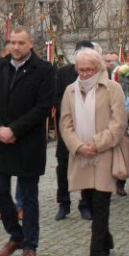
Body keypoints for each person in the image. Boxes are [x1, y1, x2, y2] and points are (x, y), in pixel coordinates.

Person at [0, 25, 56, 256]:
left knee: (28, 196)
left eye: (21, 43)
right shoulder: (1, 66)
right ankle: (16, 235)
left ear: (30, 43)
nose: (16, 47)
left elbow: (43, 107)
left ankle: (30, 246)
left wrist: (14, 130)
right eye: (13, 42)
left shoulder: (44, 70)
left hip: (28, 142)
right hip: (2, 140)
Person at [59, 48, 128, 256]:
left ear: (98, 68)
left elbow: (119, 123)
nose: (85, 73)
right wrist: (78, 146)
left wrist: (97, 144)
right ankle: (106, 238)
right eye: (81, 70)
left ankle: (94, 254)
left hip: (104, 153)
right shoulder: (70, 91)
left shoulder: (112, 88)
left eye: (89, 69)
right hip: (81, 156)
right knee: (88, 200)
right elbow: (65, 124)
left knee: (101, 203)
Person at [54, 40, 96, 221]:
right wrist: (71, 110)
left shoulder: (98, 74)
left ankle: (85, 204)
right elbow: (56, 97)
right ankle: (64, 203)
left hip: (89, 129)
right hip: (67, 128)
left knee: (87, 166)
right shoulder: (63, 72)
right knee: (63, 167)